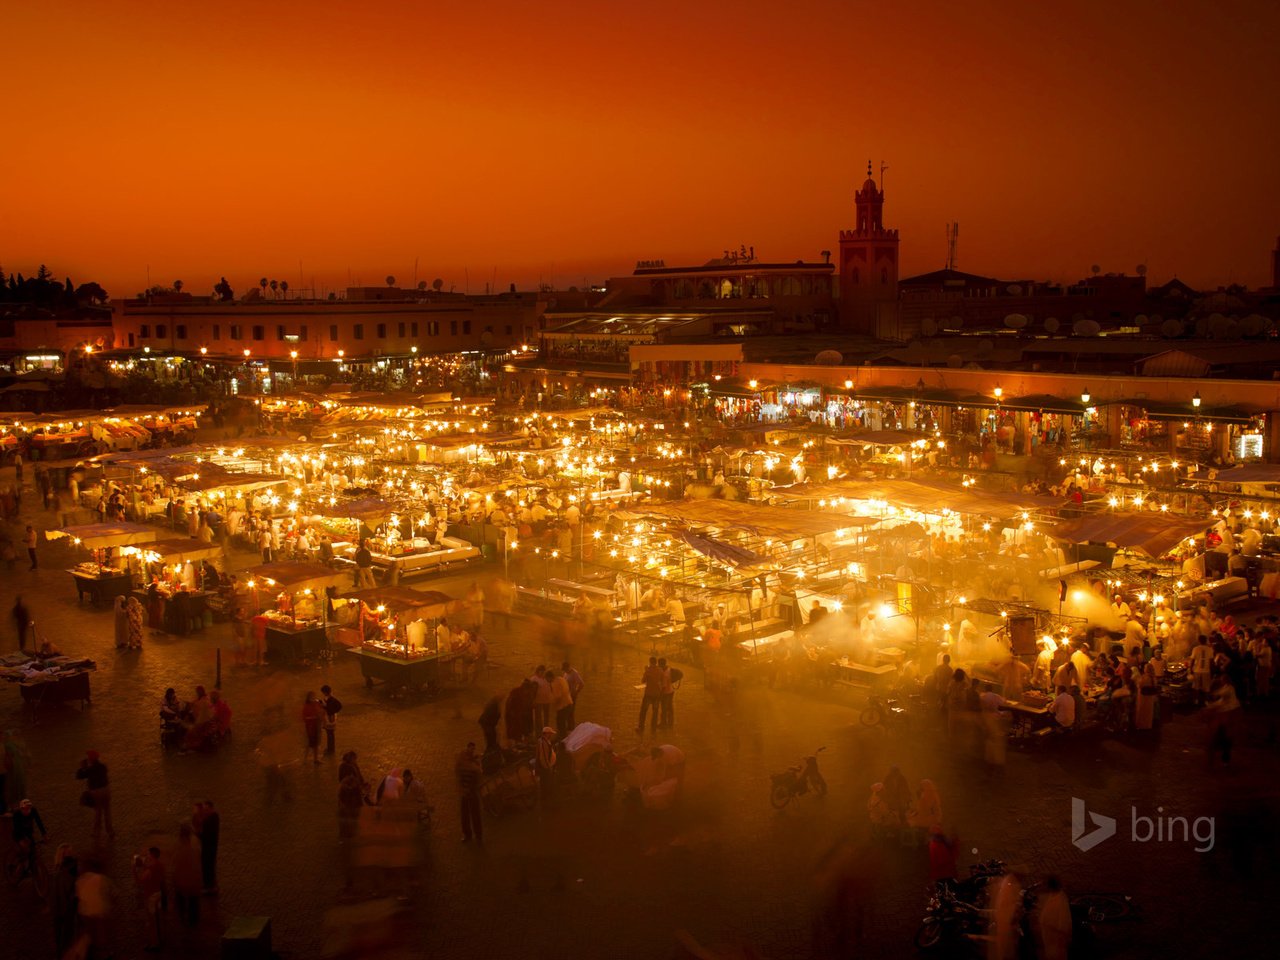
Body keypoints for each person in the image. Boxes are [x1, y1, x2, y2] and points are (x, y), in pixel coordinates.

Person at [75, 858, 111, 959]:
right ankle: (103, 954)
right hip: (98, 913)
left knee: (88, 935)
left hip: (85, 912)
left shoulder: (81, 879)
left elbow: (78, 896)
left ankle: (83, 953)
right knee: (100, 936)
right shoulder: (101, 879)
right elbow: (111, 894)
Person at [132, 846, 165, 951]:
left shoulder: (151, 869)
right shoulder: (160, 865)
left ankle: (154, 944)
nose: (146, 856)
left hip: (150, 896)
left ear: (152, 855)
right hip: (158, 893)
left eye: (148, 854)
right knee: (157, 917)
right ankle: (160, 938)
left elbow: (139, 881)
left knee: (151, 921)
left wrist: (134, 870)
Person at [76, 750, 114, 838]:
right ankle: (110, 831)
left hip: (96, 792)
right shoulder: (103, 767)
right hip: (106, 790)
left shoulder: (90, 769)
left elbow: (79, 776)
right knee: (107, 811)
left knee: (98, 812)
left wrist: (82, 767)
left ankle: (96, 832)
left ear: (91, 759)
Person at [171, 823, 202, 928]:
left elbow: (174, 862)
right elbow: (198, 859)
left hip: (181, 879)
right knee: (193, 901)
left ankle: (182, 918)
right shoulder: (194, 843)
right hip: (193, 879)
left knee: (181, 900)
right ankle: (193, 921)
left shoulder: (177, 845)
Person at [52, 844, 80, 959]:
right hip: (66, 909)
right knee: (66, 934)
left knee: (60, 934)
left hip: (59, 909)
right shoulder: (69, 875)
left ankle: (60, 952)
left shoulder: (57, 874)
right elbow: (72, 894)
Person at [1038, 875, 1073, 960]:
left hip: (1056, 941)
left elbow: (1063, 923)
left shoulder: (1060, 900)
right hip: (1050, 939)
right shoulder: (1053, 896)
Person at [455, 742, 484, 843]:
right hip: (464, 792)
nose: (471, 750)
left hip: (471, 792)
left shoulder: (474, 764)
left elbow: (479, 777)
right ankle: (468, 834)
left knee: (475, 815)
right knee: (465, 815)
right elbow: (458, 773)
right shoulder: (464, 759)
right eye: (470, 748)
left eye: (473, 749)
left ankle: (478, 836)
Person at [193, 800, 220, 894]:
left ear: (211, 808)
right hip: (210, 846)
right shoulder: (214, 816)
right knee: (209, 866)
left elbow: (203, 835)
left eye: (206, 809)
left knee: (207, 866)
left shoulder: (210, 820)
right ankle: (210, 884)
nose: (205, 811)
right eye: (204, 809)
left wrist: (197, 832)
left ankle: (209, 887)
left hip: (208, 847)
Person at [637, 655, 664, 735]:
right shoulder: (660, 670)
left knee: (643, 711)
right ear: (656, 662)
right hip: (657, 694)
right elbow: (662, 681)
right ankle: (653, 728)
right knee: (655, 711)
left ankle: (641, 727)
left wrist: (646, 670)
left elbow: (643, 681)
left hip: (648, 694)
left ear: (650, 662)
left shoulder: (648, 670)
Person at [535, 726, 558, 810]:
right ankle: (545, 803)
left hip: (547, 766)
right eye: (550, 734)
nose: (551, 735)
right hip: (545, 767)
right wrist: (548, 766)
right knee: (545, 784)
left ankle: (545, 801)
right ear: (547, 734)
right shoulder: (542, 742)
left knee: (545, 783)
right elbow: (543, 756)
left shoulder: (544, 741)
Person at [548, 667, 574, 738]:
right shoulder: (561, 679)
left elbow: (557, 696)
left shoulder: (554, 683)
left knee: (560, 723)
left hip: (563, 706)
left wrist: (552, 705)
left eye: (547, 679)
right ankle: (565, 736)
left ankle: (562, 738)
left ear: (550, 677)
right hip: (569, 703)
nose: (547, 681)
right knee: (565, 722)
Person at [1190, 636, 1215, 705]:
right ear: (1206, 640)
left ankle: (1196, 700)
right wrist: (1212, 670)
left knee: (1196, 686)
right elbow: (1211, 661)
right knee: (1206, 686)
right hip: (1206, 670)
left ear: (1199, 641)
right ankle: (1206, 701)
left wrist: (1190, 669)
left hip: (1197, 670)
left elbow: (1192, 660)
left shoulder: (1195, 649)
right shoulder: (1210, 649)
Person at [320, 684, 342, 756]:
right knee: (330, 733)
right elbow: (339, 706)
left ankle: (331, 749)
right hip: (331, 717)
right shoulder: (331, 698)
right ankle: (331, 748)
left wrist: (325, 707)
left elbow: (330, 708)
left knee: (330, 734)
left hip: (329, 718)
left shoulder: (330, 699)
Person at [302, 692, 323, 765]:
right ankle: (305, 759)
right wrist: (314, 717)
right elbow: (304, 717)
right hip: (310, 728)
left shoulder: (316, 704)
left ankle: (315, 759)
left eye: (314, 696)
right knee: (309, 744)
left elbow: (321, 711)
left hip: (316, 726)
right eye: (311, 697)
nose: (313, 698)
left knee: (316, 744)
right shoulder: (306, 706)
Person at [562, 660, 584, 729]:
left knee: (571, 713)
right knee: (567, 712)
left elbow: (581, 684)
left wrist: (576, 692)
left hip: (572, 696)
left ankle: (571, 728)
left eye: (565, 669)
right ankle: (569, 728)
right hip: (566, 696)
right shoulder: (565, 674)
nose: (564, 670)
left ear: (568, 667)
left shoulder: (574, 673)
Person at [658, 656, 679, 729]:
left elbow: (663, 686)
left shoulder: (664, 674)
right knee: (670, 707)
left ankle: (663, 723)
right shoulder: (669, 669)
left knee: (664, 708)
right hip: (671, 691)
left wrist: (660, 695)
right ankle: (670, 723)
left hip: (666, 693)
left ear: (660, 664)